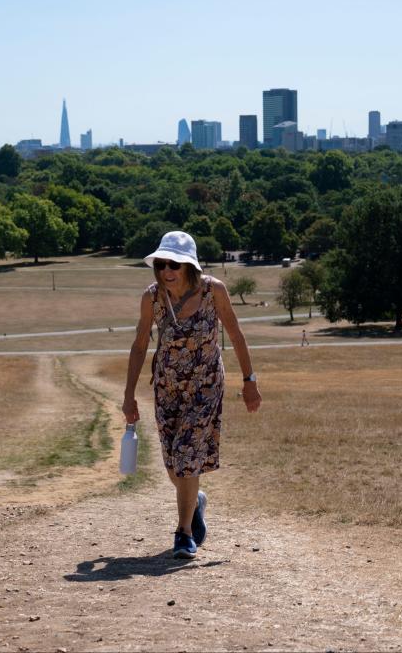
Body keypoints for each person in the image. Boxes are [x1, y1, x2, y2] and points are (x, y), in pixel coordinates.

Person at [123, 231, 262, 559]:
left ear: (190, 266)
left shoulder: (213, 291)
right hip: (167, 389)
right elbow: (140, 344)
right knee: (173, 462)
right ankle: (195, 501)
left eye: (174, 263)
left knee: (186, 456)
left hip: (205, 387)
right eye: (161, 264)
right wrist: (128, 395)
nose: (166, 270)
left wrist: (250, 380)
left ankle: (183, 533)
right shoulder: (152, 298)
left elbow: (236, 334)